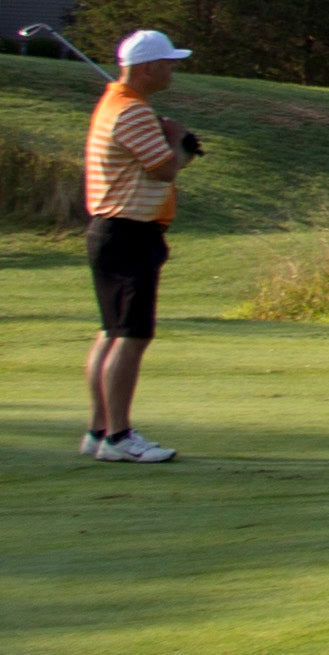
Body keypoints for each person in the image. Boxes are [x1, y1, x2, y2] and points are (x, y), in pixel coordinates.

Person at [81, 28, 208, 462]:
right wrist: (180, 143)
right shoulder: (132, 112)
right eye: (169, 63)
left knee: (111, 334)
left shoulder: (119, 104)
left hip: (112, 232)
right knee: (131, 336)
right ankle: (119, 437)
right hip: (129, 232)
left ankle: (99, 431)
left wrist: (172, 139)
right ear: (149, 66)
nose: (173, 70)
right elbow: (163, 170)